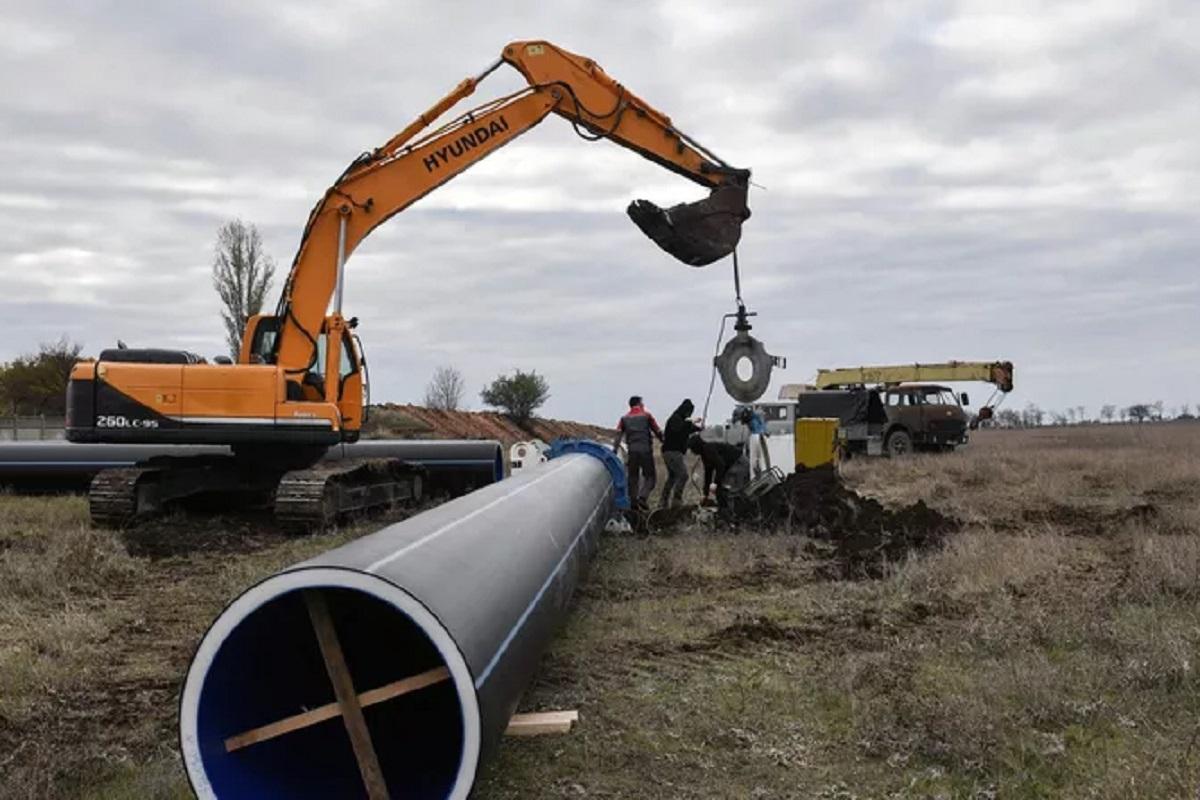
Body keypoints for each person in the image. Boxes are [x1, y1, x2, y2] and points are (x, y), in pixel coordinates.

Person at [612, 395, 663, 510]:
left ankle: (633, 503)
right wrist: (663, 441)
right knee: (650, 477)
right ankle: (643, 497)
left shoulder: (624, 419)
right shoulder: (647, 416)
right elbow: (657, 431)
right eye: (642, 403)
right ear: (639, 404)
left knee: (633, 477)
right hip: (645, 451)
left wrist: (614, 451)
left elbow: (618, 435)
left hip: (632, 452)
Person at [687, 433, 749, 510]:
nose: (692, 451)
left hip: (738, 463)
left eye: (692, 449)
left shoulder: (708, 449)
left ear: (696, 446)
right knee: (720, 489)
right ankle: (724, 511)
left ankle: (734, 513)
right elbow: (708, 473)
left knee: (729, 490)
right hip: (733, 465)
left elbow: (721, 466)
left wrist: (715, 484)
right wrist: (705, 494)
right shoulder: (704, 454)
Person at [659, 399, 701, 508]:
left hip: (670, 452)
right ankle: (676, 501)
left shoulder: (680, 420)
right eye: (689, 412)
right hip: (672, 452)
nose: (689, 414)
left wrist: (699, 428)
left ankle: (663, 502)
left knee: (672, 477)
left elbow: (687, 429)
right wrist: (691, 422)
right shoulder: (675, 419)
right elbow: (680, 429)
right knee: (683, 475)